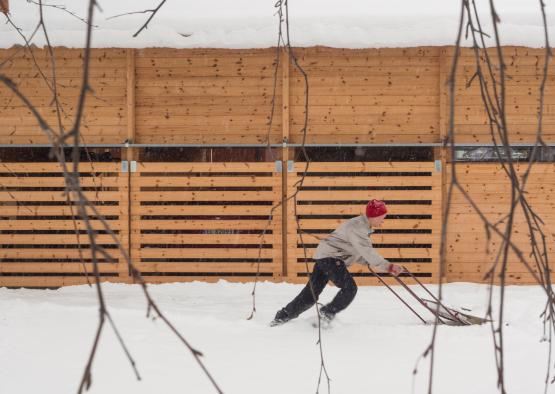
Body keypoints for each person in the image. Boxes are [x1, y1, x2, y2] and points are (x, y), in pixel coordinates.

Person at [271, 199, 404, 326]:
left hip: (326, 257)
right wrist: (388, 266)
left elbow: (355, 251)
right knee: (350, 288)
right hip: (331, 259)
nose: (383, 221)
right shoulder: (359, 228)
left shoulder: (362, 226)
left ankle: (283, 316)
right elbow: (367, 252)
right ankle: (326, 314)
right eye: (382, 217)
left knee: (310, 295)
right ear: (375, 216)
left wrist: (369, 262)